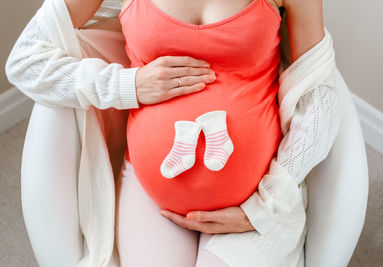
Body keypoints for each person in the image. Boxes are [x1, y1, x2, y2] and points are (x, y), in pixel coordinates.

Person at [6, 0, 342, 266]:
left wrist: (266, 205)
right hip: (151, 195)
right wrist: (130, 85)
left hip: (255, 196)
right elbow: (25, 61)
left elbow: (320, 96)